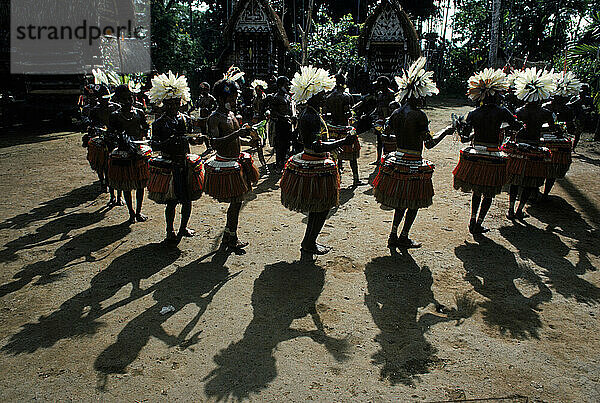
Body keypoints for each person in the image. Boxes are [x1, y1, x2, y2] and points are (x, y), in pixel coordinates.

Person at [372, 58, 455, 249]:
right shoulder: (419, 115)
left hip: (397, 159)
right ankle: (404, 236)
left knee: (401, 201)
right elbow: (430, 143)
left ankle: (393, 233)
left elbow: (385, 132)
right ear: (418, 94)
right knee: (413, 202)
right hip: (413, 162)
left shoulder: (396, 113)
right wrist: (447, 130)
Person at [280, 66, 357, 259]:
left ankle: (309, 241)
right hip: (313, 162)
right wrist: (342, 142)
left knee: (319, 207)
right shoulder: (310, 116)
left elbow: (309, 140)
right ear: (313, 94)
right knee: (320, 207)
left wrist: (332, 145)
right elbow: (315, 144)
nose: (325, 97)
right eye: (322, 94)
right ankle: (309, 242)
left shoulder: (312, 112)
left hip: (314, 160)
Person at [453, 68, 522, 233]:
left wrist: (461, 129)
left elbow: (464, 135)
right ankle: (479, 222)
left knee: (477, 190)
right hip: (493, 155)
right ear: (495, 94)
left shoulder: (473, 113)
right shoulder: (502, 111)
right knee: (489, 192)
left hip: (476, 153)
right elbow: (516, 126)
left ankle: (472, 220)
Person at [145, 72, 206, 243]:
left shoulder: (185, 119)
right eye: (170, 103)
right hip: (170, 166)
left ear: (181, 101)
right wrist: (169, 141)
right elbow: (155, 145)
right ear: (164, 103)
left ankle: (183, 227)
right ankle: (169, 230)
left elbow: (191, 140)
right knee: (171, 201)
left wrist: (197, 139)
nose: (174, 106)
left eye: (176, 102)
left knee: (187, 200)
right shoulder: (158, 123)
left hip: (185, 164)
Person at [205, 70, 260, 250]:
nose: (235, 102)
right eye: (232, 98)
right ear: (221, 99)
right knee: (235, 204)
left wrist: (249, 140)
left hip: (236, 162)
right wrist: (238, 133)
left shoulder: (231, 116)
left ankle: (230, 236)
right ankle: (230, 237)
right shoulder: (214, 118)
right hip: (225, 163)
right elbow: (215, 143)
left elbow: (236, 139)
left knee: (237, 204)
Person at [501, 68, 556, 220]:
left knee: (515, 180)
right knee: (529, 182)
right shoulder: (545, 113)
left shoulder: (519, 111)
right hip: (534, 149)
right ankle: (519, 210)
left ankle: (511, 209)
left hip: (518, 149)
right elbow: (552, 128)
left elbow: (511, 128)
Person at [107, 85, 151, 224]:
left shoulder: (139, 113)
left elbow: (145, 128)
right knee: (126, 184)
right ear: (119, 100)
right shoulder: (115, 116)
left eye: (129, 98)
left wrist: (144, 135)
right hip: (124, 153)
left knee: (140, 184)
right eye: (124, 99)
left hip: (138, 151)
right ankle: (131, 212)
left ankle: (138, 211)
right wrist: (119, 138)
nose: (128, 101)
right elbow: (110, 133)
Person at [541, 71, 582, 198]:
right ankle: (544, 193)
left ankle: (544, 193)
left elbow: (570, 128)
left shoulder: (562, 109)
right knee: (548, 169)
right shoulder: (547, 108)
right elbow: (571, 129)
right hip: (548, 141)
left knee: (551, 169)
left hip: (555, 143)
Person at [324, 73, 363, 186]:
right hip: (345, 128)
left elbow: (327, 114)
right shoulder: (346, 96)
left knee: (336, 153)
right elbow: (347, 114)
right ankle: (356, 179)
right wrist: (352, 112)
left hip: (333, 128)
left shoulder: (329, 96)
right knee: (353, 156)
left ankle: (337, 177)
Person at [84, 84, 120, 195]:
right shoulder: (95, 110)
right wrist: (96, 129)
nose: (105, 100)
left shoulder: (116, 107)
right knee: (99, 161)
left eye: (107, 98)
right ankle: (102, 182)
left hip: (114, 136)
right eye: (102, 98)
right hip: (101, 136)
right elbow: (92, 123)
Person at [269, 76, 294, 171]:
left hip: (288, 124)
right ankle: (279, 165)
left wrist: (292, 116)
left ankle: (285, 163)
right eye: (286, 84)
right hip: (280, 125)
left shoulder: (287, 96)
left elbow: (290, 110)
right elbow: (273, 112)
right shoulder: (276, 97)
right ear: (280, 85)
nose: (288, 86)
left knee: (288, 144)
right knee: (280, 145)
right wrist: (284, 117)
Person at [373, 76, 396, 164]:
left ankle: (388, 159)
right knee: (379, 140)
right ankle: (378, 159)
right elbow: (377, 107)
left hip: (387, 120)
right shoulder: (379, 94)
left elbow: (392, 108)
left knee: (388, 140)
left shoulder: (391, 94)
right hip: (380, 119)